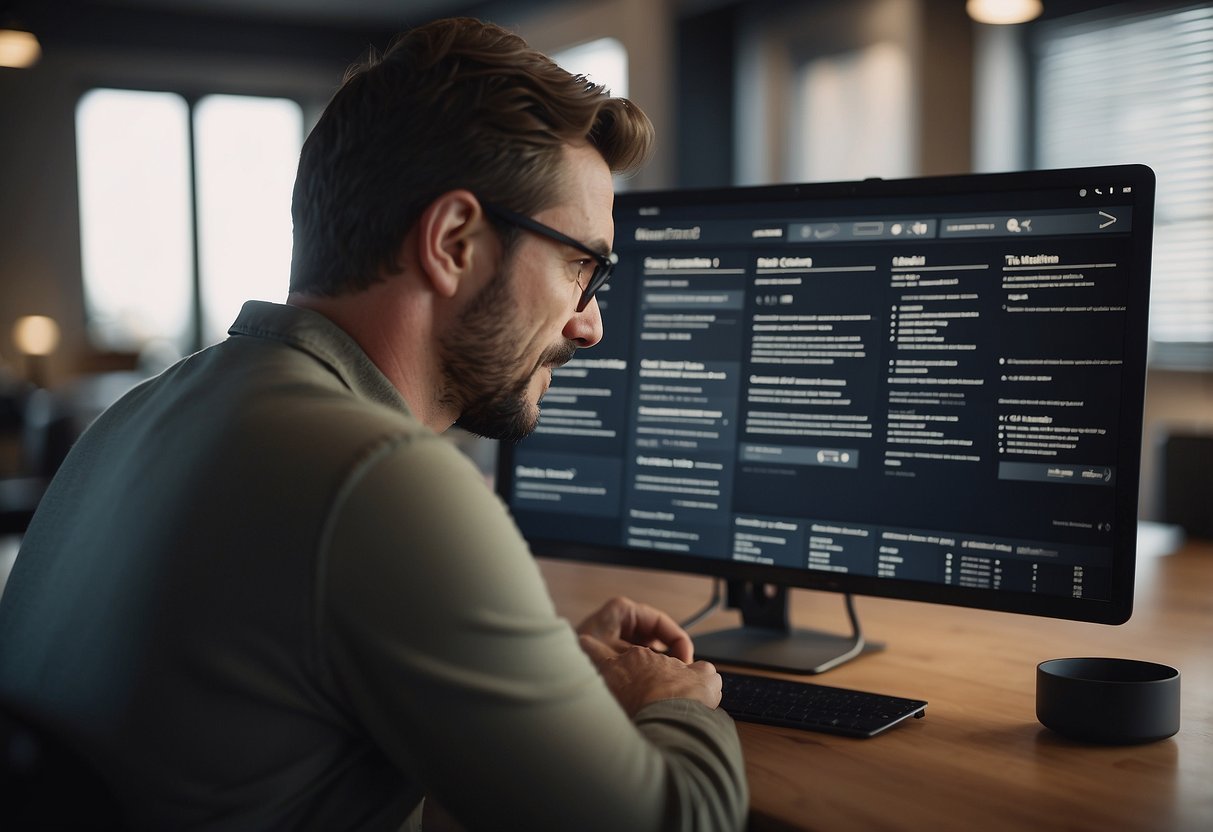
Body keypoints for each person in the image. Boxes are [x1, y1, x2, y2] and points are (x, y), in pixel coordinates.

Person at [0, 16, 748, 831]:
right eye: (583, 265)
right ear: (455, 241)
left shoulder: (141, 416)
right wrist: (674, 700)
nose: (589, 323)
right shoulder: (380, 477)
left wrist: (539, 671)